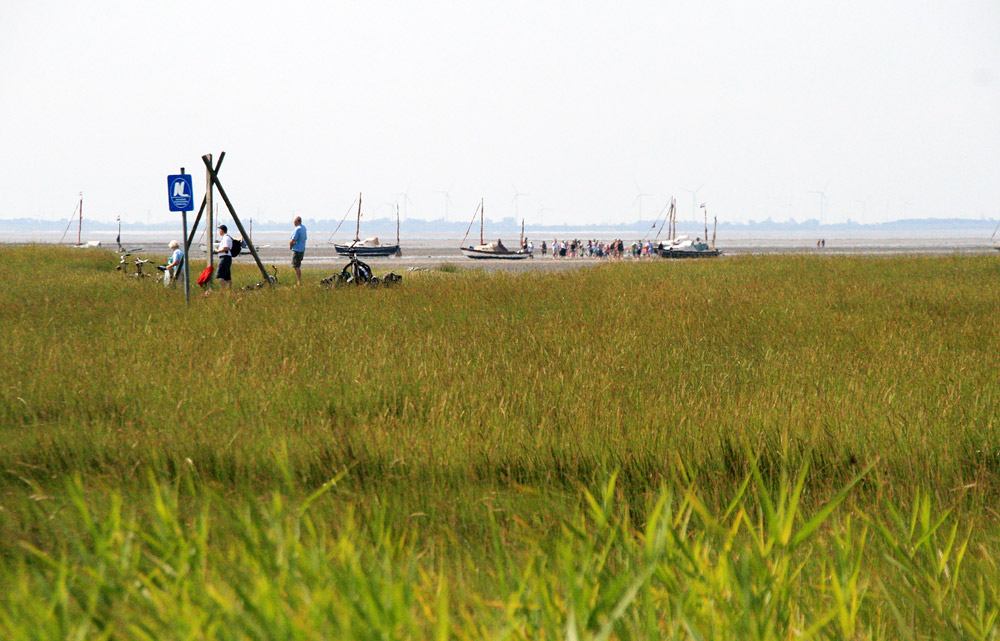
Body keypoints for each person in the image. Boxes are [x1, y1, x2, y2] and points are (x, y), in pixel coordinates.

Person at [214, 224, 233, 291]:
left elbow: (226, 248)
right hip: (226, 258)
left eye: (219, 230)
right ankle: (229, 291)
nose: (219, 231)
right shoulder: (226, 237)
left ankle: (223, 290)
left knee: (220, 276)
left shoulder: (226, 238)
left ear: (222, 231)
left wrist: (217, 251)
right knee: (227, 277)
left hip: (225, 258)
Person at [289, 215, 307, 285]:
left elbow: (293, 239)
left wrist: (290, 246)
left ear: (296, 222)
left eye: (294, 222)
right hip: (302, 249)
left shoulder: (298, 229)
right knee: (298, 265)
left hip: (297, 249)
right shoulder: (304, 228)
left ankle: (299, 281)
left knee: (296, 266)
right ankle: (299, 281)